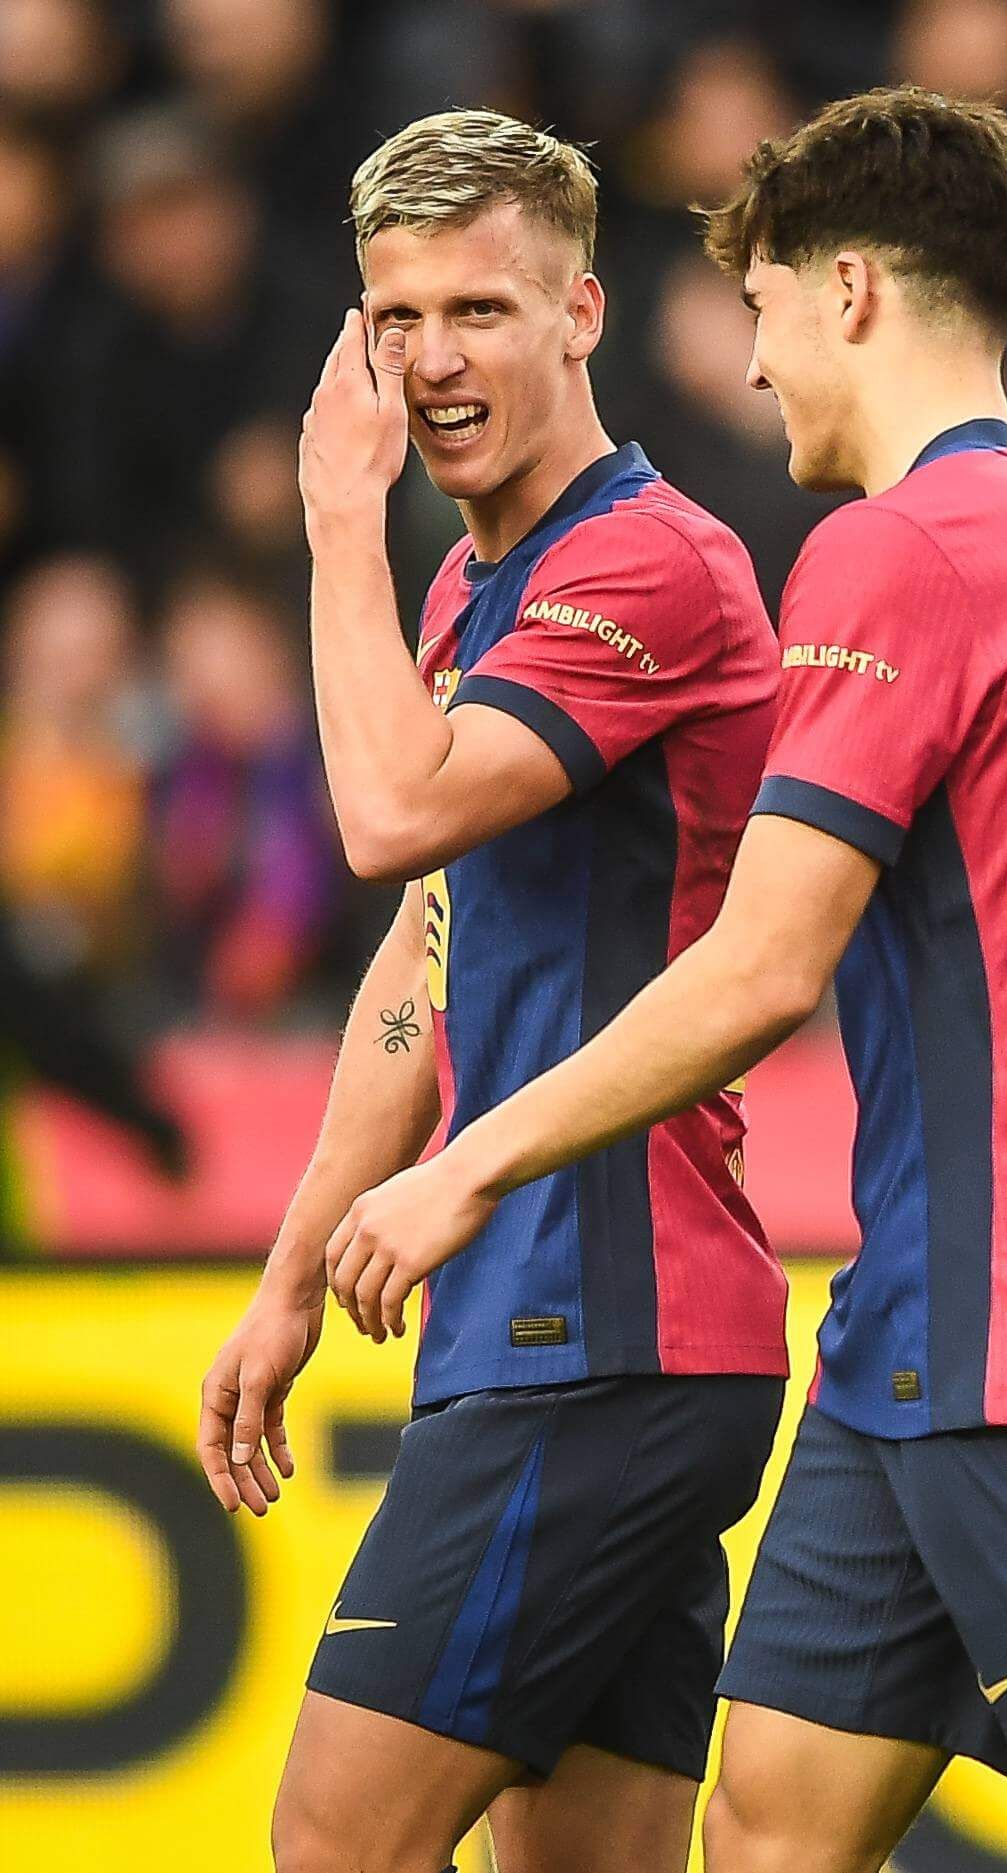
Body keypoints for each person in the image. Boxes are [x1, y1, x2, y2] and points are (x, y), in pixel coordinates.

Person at [320, 88, 1007, 1873]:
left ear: (855, 292)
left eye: (769, 309)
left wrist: (465, 1165)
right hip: (908, 1339)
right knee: (769, 1833)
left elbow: (760, 963)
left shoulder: (895, 550)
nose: (752, 367)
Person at [192, 111, 789, 1873]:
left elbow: (387, 821)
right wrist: (292, 1276)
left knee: (335, 1846)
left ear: (583, 313)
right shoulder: (472, 581)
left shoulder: (647, 562)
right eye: (396, 319)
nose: (434, 360)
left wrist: (328, 520)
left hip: (599, 1336)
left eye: (481, 310)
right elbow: (419, 958)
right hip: (561, 1332)